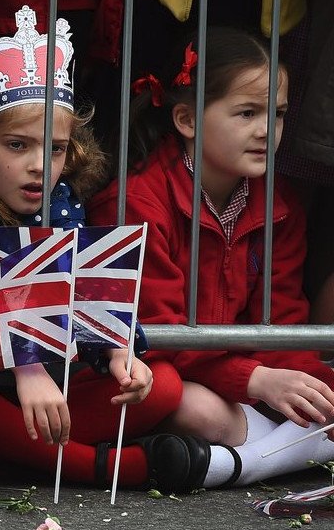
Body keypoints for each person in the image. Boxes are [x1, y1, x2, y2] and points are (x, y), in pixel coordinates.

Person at [0, 7, 196, 491]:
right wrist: (26, 363)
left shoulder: (59, 198)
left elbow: (81, 296)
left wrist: (116, 353)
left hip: (33, 390)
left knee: (161, 386)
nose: (40, 166)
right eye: (17, 146)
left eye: (56, 148)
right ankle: (96, 467)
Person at [89, 26, 334, 489]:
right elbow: (156, 334)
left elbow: (283, 320)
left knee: (317, 399)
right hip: (149, 373)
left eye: (277, 114)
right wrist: (256, 379)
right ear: (186, 120)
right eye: (246, 113)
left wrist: (316, 390)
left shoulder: (278, 203)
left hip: (235, 381)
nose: (267, 131)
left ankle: (254, 454)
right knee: (192, 408)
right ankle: (265, 459)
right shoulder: (136, 204)